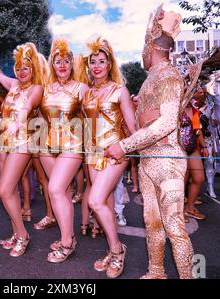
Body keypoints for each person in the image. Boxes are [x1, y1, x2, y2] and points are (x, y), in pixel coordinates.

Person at [105, 5, 194, 279]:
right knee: (152, 223)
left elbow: (166, 122)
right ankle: (156, 271)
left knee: (175, 226)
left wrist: (125, 145)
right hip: (148, 162)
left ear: (151, 48)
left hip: (168, 161)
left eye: (143, 48)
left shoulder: (168, 75)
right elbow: (147, 119)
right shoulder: (150, 80)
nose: (142, 54)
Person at [0, 41, 45, 257]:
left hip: (23, 142)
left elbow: (27, 107)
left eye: (25, 67)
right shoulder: (13, 85)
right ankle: (17, 233)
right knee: (11, 191)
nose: (21, 71)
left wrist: (18, 123)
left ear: (33, 68)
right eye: (18, 68)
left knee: (4, 190)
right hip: (3, 143)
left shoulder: (37, 88)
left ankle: (23, 234)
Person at [82, 37, 136, 278]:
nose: (97, 66)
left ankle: (117, 250)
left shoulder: (120, 90)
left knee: (94, 200)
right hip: (92, 153)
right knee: (106, 203)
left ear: (109, 64)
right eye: (93, 62)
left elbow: (133, 127)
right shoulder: (88, 92)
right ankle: (111, 249)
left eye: (101, 61)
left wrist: (133, 149)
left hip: (115, 152)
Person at [38, 38, 88, 263]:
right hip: (47, 147)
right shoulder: (46, 89)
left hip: (72, 145)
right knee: (63, 194)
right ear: (53, 65)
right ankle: (67, 236)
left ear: (71, 64)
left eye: (66, 61)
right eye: (58, 61)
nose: (62, 65)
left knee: (55, 189)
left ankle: (66, 243)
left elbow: (96, 115)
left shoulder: (81, 88)